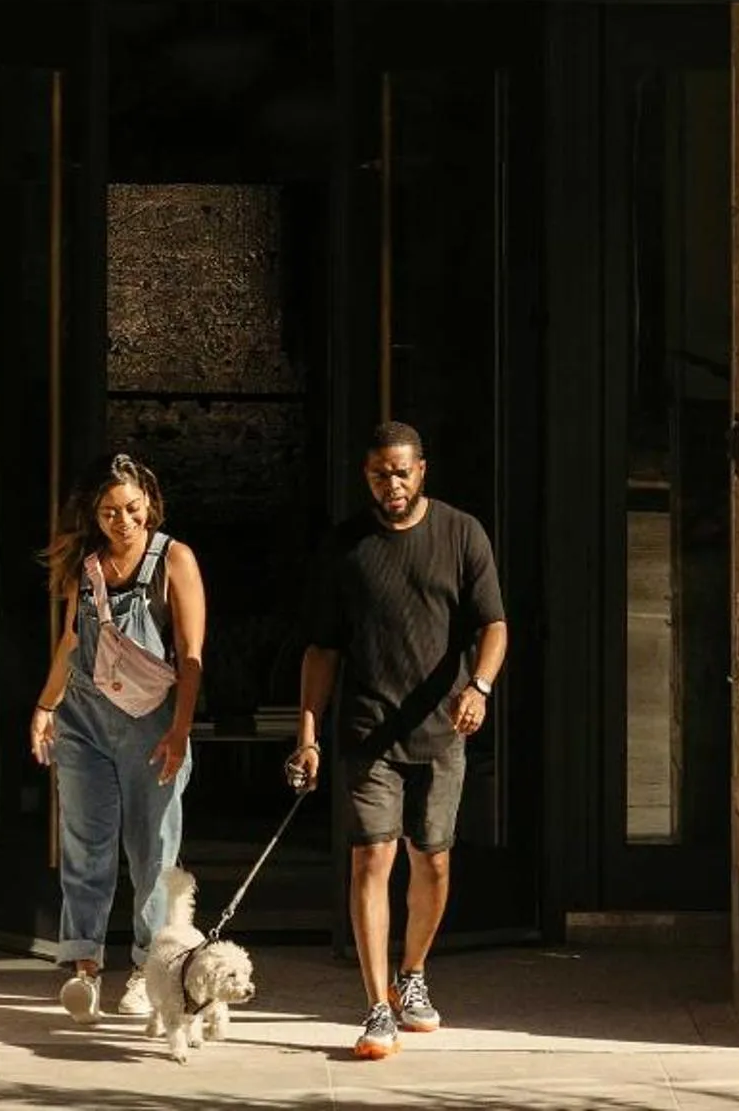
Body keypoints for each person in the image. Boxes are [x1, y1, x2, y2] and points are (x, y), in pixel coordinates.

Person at [289, 420, 509, 1062]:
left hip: (443, 728)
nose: (394, 483)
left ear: (423, 471)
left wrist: (481, 689)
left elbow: (493, 625)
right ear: (367, 477)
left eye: (403, 471)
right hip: (366, 730)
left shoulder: (461, 533)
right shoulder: (346, 547)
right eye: (382, 473)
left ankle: (411, 973)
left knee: (432, 858)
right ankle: (376, 1006)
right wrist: (308, 733)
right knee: (371, 860)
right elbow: (322, 648)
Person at [30, 451, 207, 1022]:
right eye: (109, 511)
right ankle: (84, 966)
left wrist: (180, 732)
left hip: (153, 723)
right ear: (95, 514)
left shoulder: (174, 559)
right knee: (85, 842)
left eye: (132, 508)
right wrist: (44, 705)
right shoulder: (85, 566)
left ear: (150, 505)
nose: (122, 520)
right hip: (83, 718)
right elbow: (70, 643)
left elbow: (192, 657)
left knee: (152, 850)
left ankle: (145, 971)